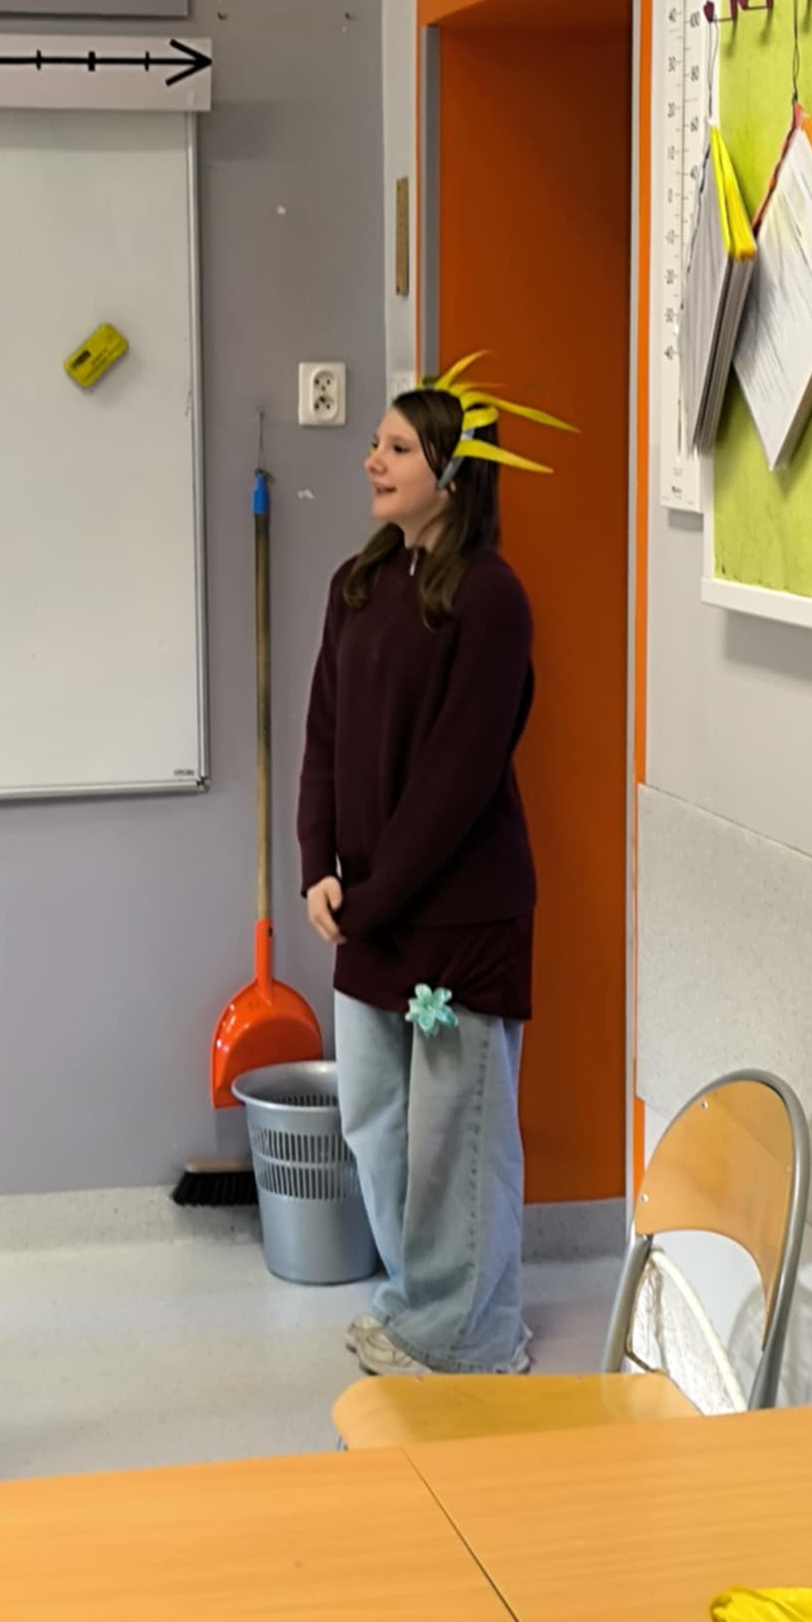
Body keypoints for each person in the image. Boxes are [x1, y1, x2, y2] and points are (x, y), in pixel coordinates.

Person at [297, 362, 564, 1381]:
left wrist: (370, 897)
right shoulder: (358, 585)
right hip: (367, 912)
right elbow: (323, 736)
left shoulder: (491, 600)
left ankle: (469, 1337)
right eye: (376, 443)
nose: (373, 460)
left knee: (459, 1137)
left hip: (456, 917)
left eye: (398, 448)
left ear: (453, 475)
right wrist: (317, 866)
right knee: (378, 1123)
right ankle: (425, 1309)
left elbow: (457, 779)